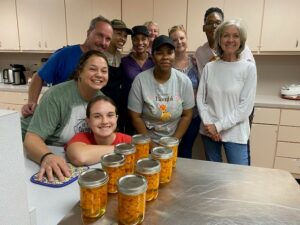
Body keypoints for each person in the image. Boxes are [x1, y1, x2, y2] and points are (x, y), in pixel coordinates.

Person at [22, 50, 109, 182]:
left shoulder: (102, 101)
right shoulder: (56, 96)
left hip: (65, 153)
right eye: (92, 69)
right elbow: (32, 138)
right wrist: (47, 156)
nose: (99, 74)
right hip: (32, 148)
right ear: (80, 71)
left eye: (104, 71)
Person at [21, 15, 113, 118]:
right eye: (100, 35)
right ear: (88, 33)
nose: (103, 42)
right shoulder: (65, 54)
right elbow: (38, 77)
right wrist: (32, 102)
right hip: (60, 115)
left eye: (108, 39)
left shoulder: (102, 62)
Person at [196, 20, 257, 165]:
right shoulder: (210, 67)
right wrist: (209, 125)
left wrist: (217, 126)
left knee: (238, 178)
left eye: (235, 36)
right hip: (209, 131)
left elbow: (245, 108)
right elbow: (200, 98)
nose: (230, 40)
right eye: (225, 36)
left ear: (241, 40)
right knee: (214, 178)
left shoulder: (248, 68)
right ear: (219, 39)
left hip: (235, 133)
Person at [128, 35, 194, 148]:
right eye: (159, 53)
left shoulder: (183, 81)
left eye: (169, 52)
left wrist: (173, 142)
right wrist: (150, 145)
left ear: (174, 55)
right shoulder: (140, 80)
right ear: (152, 57)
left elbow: (187, 115)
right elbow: (135, 116)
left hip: (173, 140)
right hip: (145, 140)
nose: (165, 57)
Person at [65, 95, 132, 166]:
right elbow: (79, 158)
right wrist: (123, 149)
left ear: (116, 118)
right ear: (88, 121)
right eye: (97, 116)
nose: (105, 121)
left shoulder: (129, 140)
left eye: (110, 115)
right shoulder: (81, 138)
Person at [168, 25, 200, 159]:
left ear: (186, 39)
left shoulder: (196, 61)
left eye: (182, 38)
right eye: (175, 40)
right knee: (171, 149)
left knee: (186, 149)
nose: (179, 42)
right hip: (173, 117)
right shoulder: (167, 62)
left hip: (193, 115)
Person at [195, 7, 255, 77]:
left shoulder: (240, 48)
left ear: (223, 27)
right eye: (210, 23)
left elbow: (250, 75)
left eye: (218, 23)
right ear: (204, 28)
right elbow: (203, 79)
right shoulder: (201, 52)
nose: (214, 26)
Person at [121, 25, 154, 134]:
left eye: (143, 39)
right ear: (132, 41)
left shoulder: (154, 61)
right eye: (136, 39)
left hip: (151, 112)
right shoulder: (124, 62)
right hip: (129, 112)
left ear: (148, 40)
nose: (140, 43)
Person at [102, 19, 132, 130]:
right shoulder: (100, 55)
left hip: (119, 105)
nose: (123, 38)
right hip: (104, 105)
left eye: (125, 36)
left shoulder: (119, 55)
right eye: (119, 34)